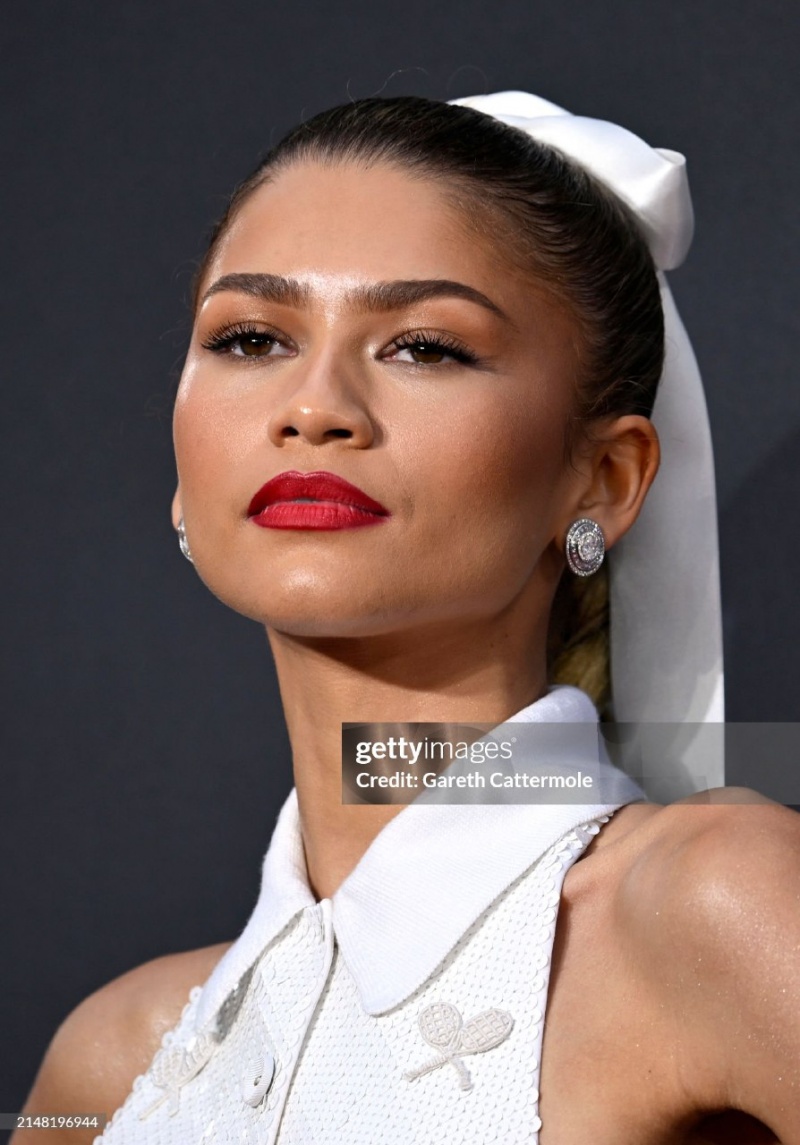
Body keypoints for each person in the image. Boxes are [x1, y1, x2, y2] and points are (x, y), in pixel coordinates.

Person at [15, 90, 800, 1144]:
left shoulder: (713, 908)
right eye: (251, 338)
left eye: (425, 347)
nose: (313, 406)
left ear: (604, 480)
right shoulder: (116, 1058)